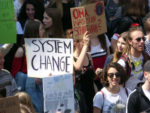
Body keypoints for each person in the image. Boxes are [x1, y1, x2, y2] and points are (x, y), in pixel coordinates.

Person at [11, 20, 44, 113]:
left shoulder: (44, 48)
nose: (44, 31)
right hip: (30, 92)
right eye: (41, 29)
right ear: (35, 32)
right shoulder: (21, 51)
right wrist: (32, 79)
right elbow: (15, 75)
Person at [73, 31, 95, 113]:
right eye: (84, 41)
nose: (87, 44)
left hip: (91, 93)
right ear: (75, 43)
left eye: (88, 41)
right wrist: (85, 45)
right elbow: (78, 67)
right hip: (80, 96)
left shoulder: (89, 55)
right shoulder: (70, 57)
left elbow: (92, 76)